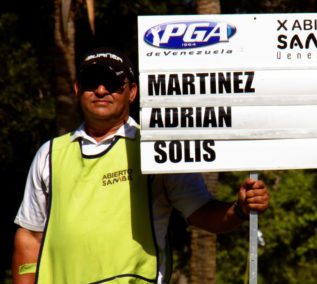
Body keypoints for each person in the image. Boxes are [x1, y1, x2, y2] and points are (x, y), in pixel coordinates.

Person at [12, 47, 269, 284]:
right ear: (78, 89)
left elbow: (202, 212)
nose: (101, 90)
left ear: (132, 92)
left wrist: (240, 209)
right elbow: (29, 237)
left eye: (113, 83)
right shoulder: (49, 154)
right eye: (92, 82)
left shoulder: (157, 147)